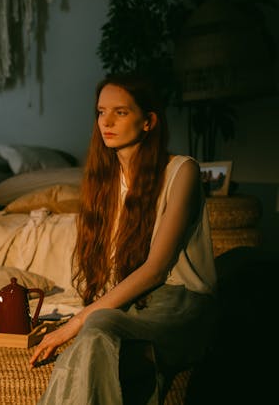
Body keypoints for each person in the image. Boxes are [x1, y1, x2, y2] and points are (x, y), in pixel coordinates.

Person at [29, 73, 217, 403]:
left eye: (121, 112)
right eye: (101, 112)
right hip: (131, 307)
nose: (107, 122)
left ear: (148, 122)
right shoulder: (104, 181)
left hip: (177, 307)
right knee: (93, 341)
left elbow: (156, 269)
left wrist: (73, 325)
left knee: (96, 327)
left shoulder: (181, 170)